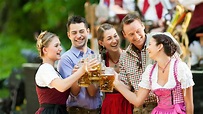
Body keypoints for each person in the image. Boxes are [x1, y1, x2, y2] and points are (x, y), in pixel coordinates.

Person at [114, 33, 195, 114]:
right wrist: (116, 83)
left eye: (149, 44)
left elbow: (189, 103)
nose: (147, 48)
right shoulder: (150, 71)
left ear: (159, 47)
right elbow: (137, 101)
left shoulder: (180, 68)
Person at [35, 31, 99, 114]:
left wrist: (75, 74)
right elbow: (62, 86)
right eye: (56, 45)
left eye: (60, 45)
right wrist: (81, 70)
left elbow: (72, 91)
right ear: (45, 50)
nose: (60, 49)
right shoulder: (45, 68)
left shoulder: (54, 71)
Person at [57, 15, 102, 114]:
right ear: (69, 35)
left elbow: (93, 92)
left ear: (88, 32)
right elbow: (74, 92)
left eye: (81, 31)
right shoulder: (65, 59)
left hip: (97, 110)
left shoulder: (95, 56)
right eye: (74, 33)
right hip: (77, 111)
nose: (78, 36)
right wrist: (78, 75)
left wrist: (85, 73)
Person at [119, 12, 157, 114]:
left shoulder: (157, 44)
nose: (136, 36)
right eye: (131, 34)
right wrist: (113, 80)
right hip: (138, 109)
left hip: (160, 107)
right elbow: (126, 85)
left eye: (138, 31)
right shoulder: (124, 56)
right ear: (124, 35)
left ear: (143, 26)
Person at [96, 23, 133, 114]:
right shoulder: (101, 61)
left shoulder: (129, 57)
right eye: (109, 38)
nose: (114, 40)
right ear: (101, 43)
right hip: (109, 105)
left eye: (115, 36)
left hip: (128, 102)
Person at [178, 0, 203, 68]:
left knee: (186, 38)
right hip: (198, 25)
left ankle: (200, 57)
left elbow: (183, 2)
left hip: (199, 25)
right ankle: (195, 62)